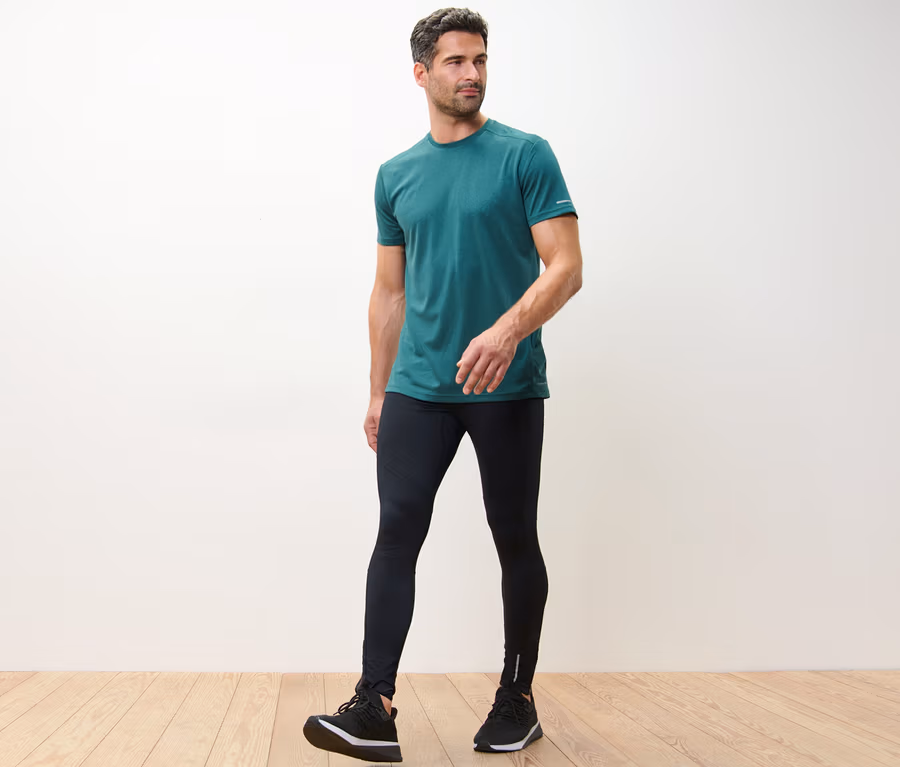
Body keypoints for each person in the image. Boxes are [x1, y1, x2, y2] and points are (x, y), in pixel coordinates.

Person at [303, 7, 583, 762]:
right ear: (421, 72)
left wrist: (507, 330)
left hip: (506, 383)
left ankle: (516, 697)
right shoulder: (396, 175)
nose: (472, 73)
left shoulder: (525, 156)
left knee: (513, 535)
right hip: (418, 388)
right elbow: (389, 292)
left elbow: (566, 266)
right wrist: (377, 390)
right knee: (396, 530)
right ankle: (374, 704)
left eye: (480, 60)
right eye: (456, 61)